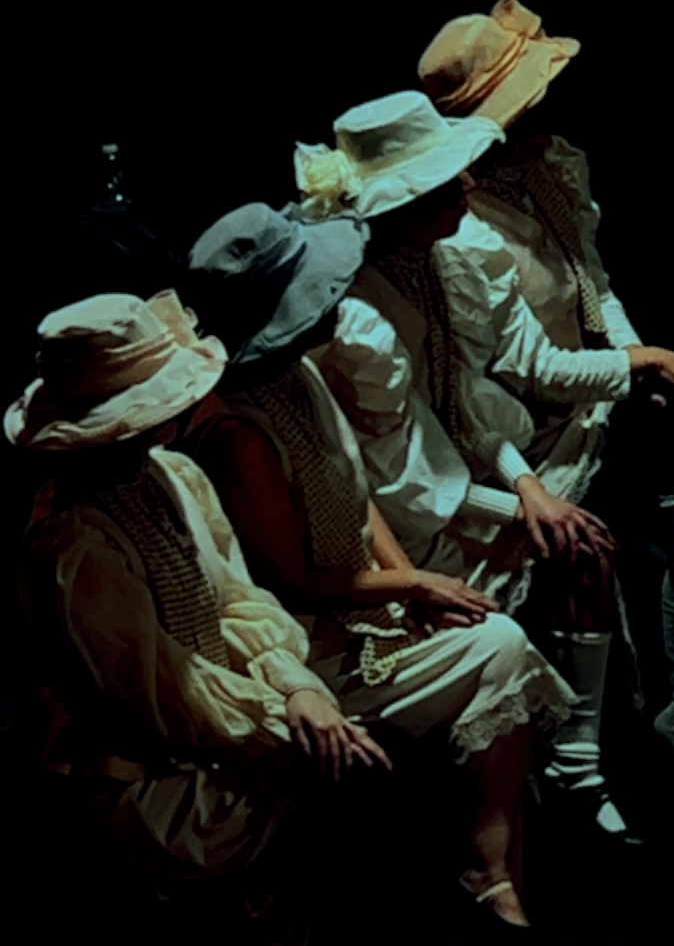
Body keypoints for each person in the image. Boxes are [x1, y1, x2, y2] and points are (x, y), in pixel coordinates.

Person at [184, 201, 580, 931]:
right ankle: (488, 873)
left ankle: (496, 873)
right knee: (499, 645)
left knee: (489, 631)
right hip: (311, 645)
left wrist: (409, 595)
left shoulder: (300, 376)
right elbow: (293, 580)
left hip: (367, 606)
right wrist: (410, 584)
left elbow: (356, 495)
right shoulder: (238, 435)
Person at [292, 93, 644, 841]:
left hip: (463, 485)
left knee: (582, 540)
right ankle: (497, 791)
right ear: (407, 207)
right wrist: (514, 506)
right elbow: (395, 473)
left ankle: (578, 765)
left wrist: (525, 484)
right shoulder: (355, 314)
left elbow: (467, 404)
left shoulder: (448, 257)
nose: (472, 187)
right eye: (450, 183)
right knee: (559, 551)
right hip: (397, 524)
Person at [417, 0, 674, 792]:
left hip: (591, 386)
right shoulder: (463, 227)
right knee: (599, 535)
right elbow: (527, 367)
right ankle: (604, 750)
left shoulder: (556, 164)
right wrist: (640, 363)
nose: (547, 106)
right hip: (525, 419)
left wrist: (642, 362)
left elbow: (592, 286)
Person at [4, 290, 389, 938]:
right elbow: (164, 694)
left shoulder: (173, 474)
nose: (164, 425)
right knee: (347, 779)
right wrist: (285, 722)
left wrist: (298, 686)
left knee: (356, 760)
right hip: (152, 776)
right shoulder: (73, 547)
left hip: (230, 725)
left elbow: (237, 601)